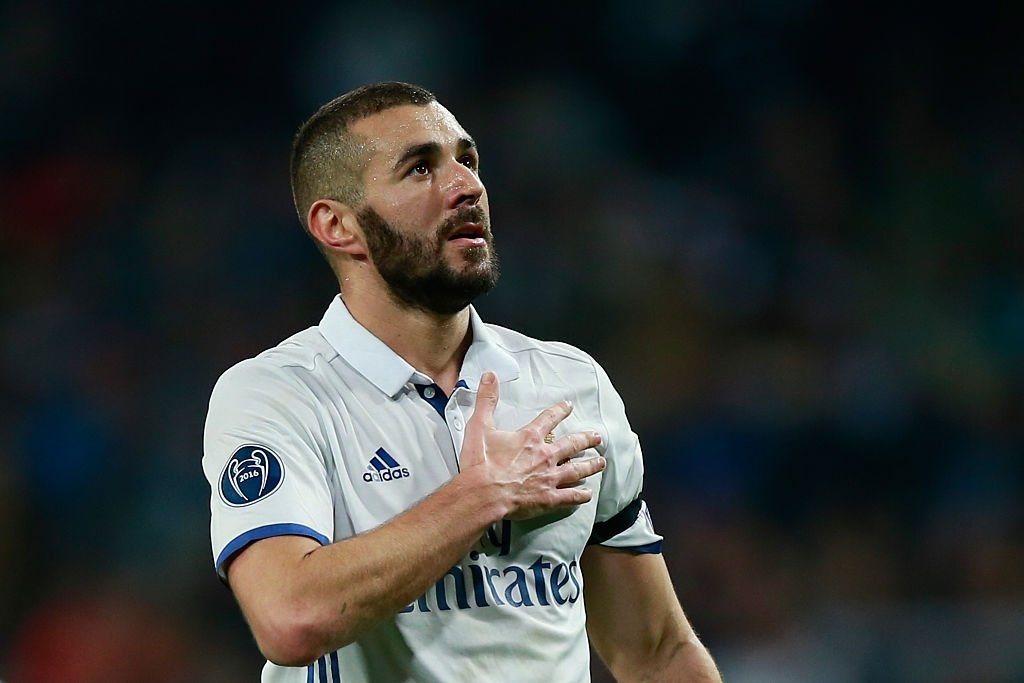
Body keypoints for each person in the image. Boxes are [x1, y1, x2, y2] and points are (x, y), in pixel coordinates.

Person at [203, 81, 721, 683]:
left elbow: (656, 651)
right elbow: (291, 618)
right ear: (338, 225)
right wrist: (481, 496)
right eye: (420, 168)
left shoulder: (570, 384)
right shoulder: (279, 394)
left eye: (467, 161)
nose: (467, 186)